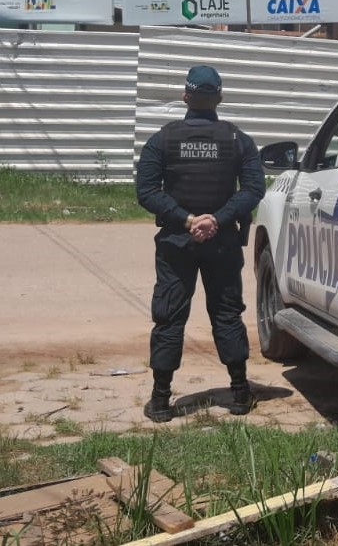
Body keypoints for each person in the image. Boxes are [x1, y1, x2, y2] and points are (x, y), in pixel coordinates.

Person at [136, 64, 264, 422]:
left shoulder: (162, 139)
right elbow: (253, 190)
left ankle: (161, 400)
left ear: (186, 97)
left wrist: (186, 219)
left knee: (169, 318)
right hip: (221, 242)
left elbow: (146, 192)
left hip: (177, 243)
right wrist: (217, 219)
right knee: (226, 313)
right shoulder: (238, 140)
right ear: (219, 98)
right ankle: (239, 393)